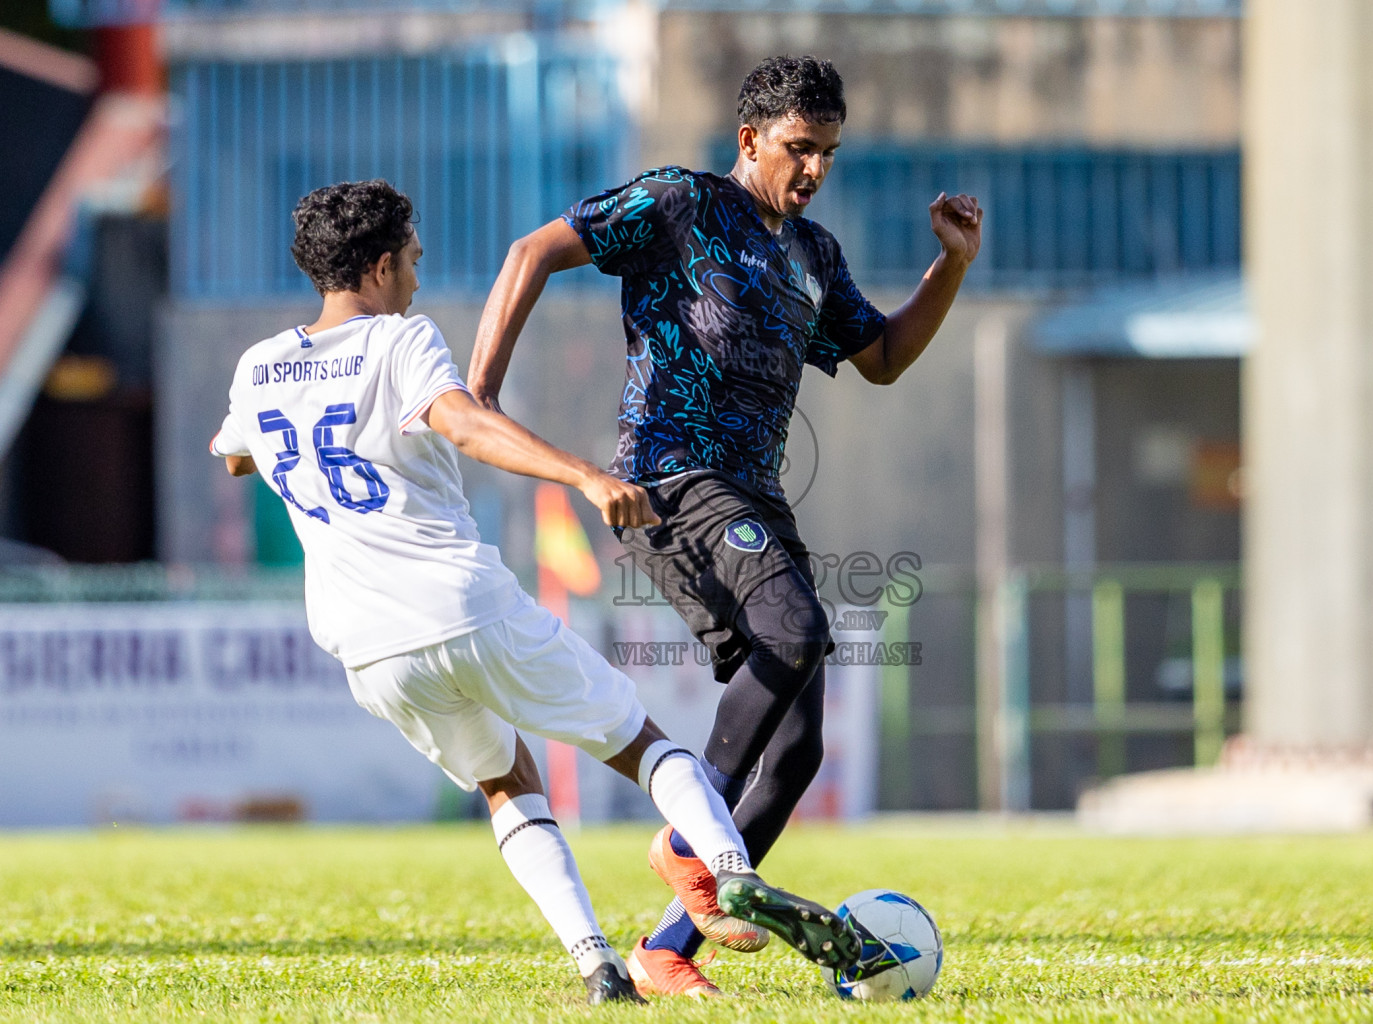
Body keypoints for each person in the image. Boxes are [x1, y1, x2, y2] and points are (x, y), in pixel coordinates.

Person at [209, 179, 859, 1006]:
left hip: (364, 646)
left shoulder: (259, 367)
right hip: (459, 604)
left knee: (506, 783)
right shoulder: (399, 341)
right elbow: (466, 423)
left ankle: (597, 965)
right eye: (410, 258)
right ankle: (726, 868)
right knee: (641, 742)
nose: (417, 272)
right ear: (376, 268)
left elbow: (231, 454)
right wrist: (584, 475)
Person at [467, 55, 983, 997]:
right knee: (797, 631)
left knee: (799, 747)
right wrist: (482, 390)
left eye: (828, 152)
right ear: (750, 140)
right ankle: (684, 844)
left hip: (756, 498)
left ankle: (668, 949)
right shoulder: (679, 203)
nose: (815, 168)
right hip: (670, 478)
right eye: (799, 148)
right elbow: (530, 253)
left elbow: (886, 358)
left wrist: (950, 264)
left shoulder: (813, 254)